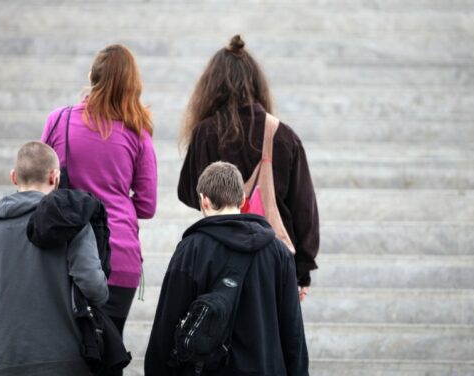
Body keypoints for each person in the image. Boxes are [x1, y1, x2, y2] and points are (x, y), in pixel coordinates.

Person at [177, 35, 319, 301]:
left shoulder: (205, 132)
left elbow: (187, 192)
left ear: (211, 87)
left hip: (217, 256)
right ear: (256, 85)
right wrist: (303, 270)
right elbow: (304, 208)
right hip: (274, 260)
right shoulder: (283, 135)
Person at [41, 43, 158, 361]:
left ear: (92, 76)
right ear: (132, 85)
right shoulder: (138, 133)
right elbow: (147, 205)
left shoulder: (57, 121)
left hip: (63, 256)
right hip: (118, 259)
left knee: (65, 356)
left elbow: (41, 184)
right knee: (107, 351)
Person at [145, 161, 309, 376]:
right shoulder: (278, 252)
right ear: (243, 200)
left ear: (204, 201)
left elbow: (166, 325)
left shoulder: (191, 250)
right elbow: (293, 330)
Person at [0, 141, 109, 375]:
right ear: (55, 177)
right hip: (66, 362)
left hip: (4, 363)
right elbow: (95, 289)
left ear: (14, 177)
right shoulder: (72, 224)